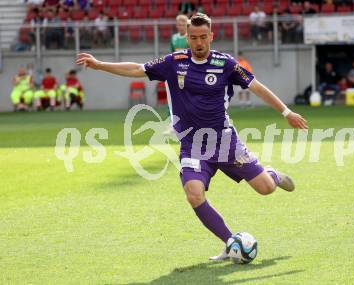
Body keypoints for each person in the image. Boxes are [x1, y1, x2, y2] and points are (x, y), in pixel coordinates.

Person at [76, 13, 307, 260]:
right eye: (194, 37)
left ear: (211, 36)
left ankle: (272, 175)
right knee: (194, 194)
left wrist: (286, 111)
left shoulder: (226, 64)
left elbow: (257, 87)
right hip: (192, 145)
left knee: (265, 189)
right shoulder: (174, 61)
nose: (198, 43)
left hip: (226, 142)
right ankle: (230, 242)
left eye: (203, 37)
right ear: (186, 37)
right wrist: (100, 65)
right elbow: (137, 69)